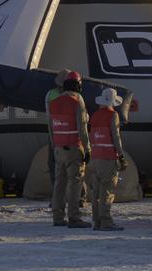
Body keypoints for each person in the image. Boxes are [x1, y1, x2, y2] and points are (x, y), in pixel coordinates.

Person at [48, 71, 90, 228]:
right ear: (78, 85)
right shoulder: (76, 103)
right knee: (75, 184)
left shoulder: (53, 103)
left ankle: (57, 217)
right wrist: (88, 149)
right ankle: (74, 218)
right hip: (73, 148)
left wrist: (54, 147)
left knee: (59, 183)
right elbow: (82, 130)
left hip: (58, 148)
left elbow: (51, 129)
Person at [87, 87, 128, 231]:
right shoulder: (113, 115)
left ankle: (97, 221)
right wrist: (121, 155)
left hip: (96, 156)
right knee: (107, 190)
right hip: (108, 157)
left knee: (96, 191)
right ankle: (106, 221)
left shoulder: (95, 116)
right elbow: (116, 137)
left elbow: (91, 135)